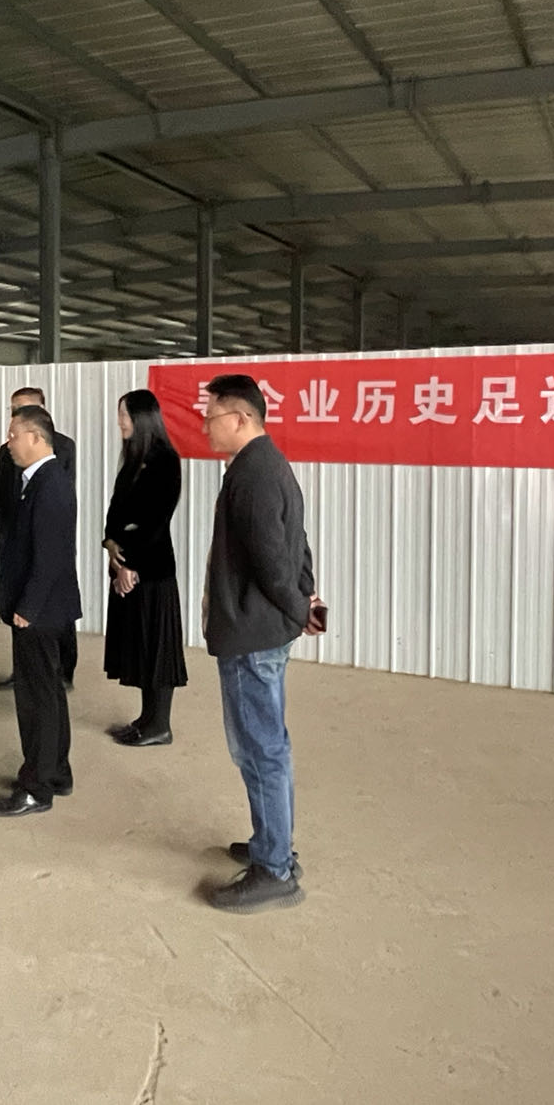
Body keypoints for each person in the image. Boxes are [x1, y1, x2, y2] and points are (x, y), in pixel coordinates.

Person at [200, 373, 324, 914]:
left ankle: (274, 869)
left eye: (211, 417)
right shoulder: (268, 465)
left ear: (241, 418)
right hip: (260, 629)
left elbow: (274, 559)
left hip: (252, 635)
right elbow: (298, 545)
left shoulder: (253, 474)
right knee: (264, 746)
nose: (205, 428)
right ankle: (271, 845)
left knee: (260, 749)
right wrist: (306, 597)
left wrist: (298, 607)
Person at [0, 404, 82, 817]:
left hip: (40, 611)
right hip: (44, 608)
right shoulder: (38, 481)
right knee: (48, 692)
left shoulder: (50, 484)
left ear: (36, 438)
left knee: (35, 699)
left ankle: (36, 787)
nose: (8, 443)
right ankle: (57, 771)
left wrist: (28, 606)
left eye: (14, 435)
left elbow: (51, 554)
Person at [102, 390, 189, 747]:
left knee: (157, 648)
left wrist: (129, 564)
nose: (120, 421)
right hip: (126, 565)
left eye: (124, 415)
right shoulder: (132, 460)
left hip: (151, 571)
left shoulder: (165, 461)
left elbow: (154, 522)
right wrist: (111, 546)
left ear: (141, 418)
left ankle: (160, 725)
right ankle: (146, 718)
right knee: (140, 646)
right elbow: (116, 513)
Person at [0, 386, 77, 692]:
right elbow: (0, 495)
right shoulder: (8, 451)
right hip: (17, 539)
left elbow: (57, 506)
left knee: (47, 609)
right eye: (13, 409)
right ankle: (23, 670)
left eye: (24, 409)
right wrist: (6, 534)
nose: (16, 415)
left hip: (45, 538)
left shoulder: (59, 453)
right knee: (22, 613)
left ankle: (64, 670)